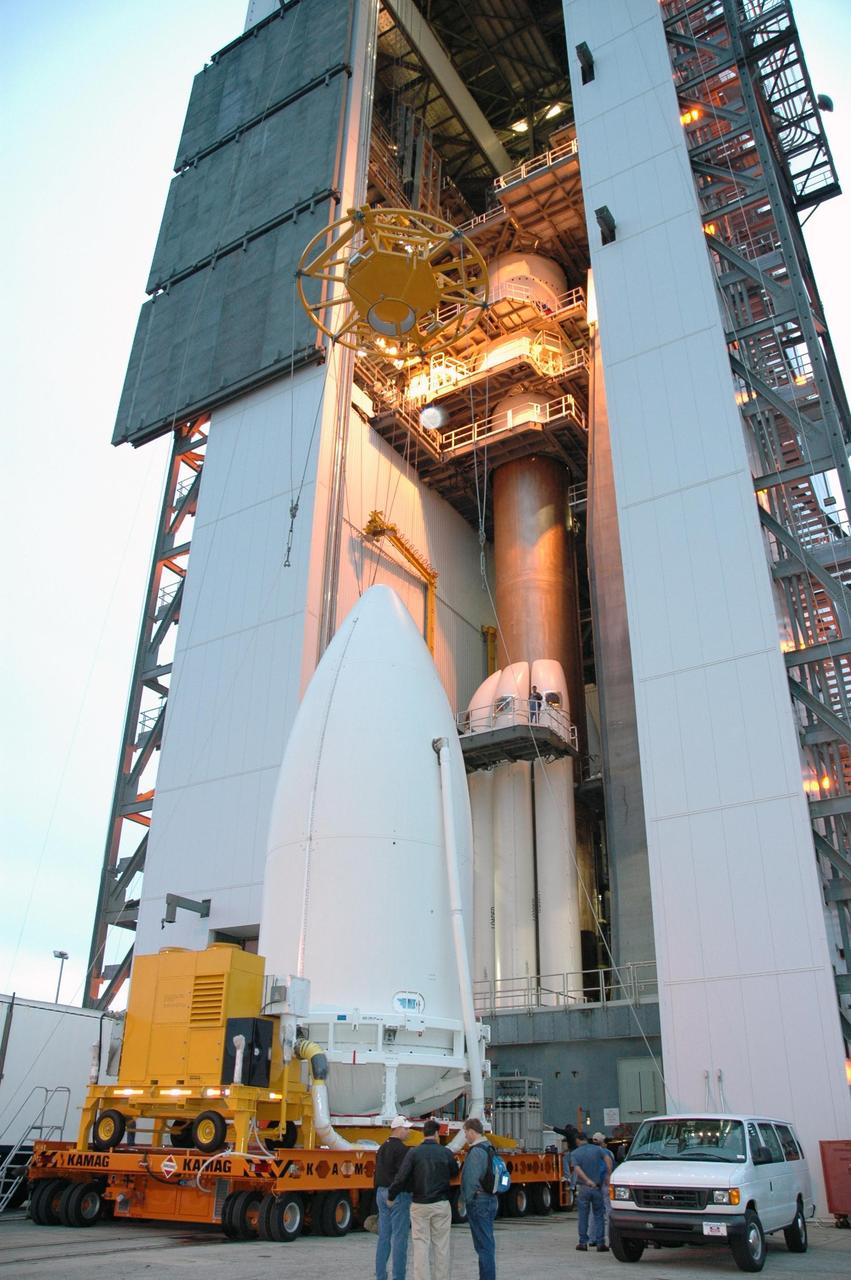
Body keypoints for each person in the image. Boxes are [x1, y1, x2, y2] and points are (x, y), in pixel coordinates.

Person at [388, 1118, 458, 1280]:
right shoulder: (445, 1152)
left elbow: (401, 1177)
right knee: (441, 1246)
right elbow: (454, 1173)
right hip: (441, 1203)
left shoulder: (413, 1152)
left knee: (420, 1246)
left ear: (423, 1134)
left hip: (419, 1205)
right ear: (436, 1134)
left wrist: (391, 1196)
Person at [374, 1116, 414, 1280]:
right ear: (398, 1129)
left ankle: (381, 1275)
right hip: (397, 1195)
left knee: (384, 1237)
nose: (408, 1131)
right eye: (406, 1128)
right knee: (399, 1238)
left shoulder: (382, 1147)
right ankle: (399, 1276)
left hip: (381, 1192)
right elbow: (403, 1176)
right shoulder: (403, 1150)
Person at [460, 1117, 498, 1280]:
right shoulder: (490, 1148)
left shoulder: (476, 1152)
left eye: (466, 1133)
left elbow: (470, 1180)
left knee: (484, 1246)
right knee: (487, 1243)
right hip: (490, 1199)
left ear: (472, 1132)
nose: (465, 1137)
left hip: (479, 1201)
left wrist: (467, 1201)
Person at [569, 1132, 609, 1252]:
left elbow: (577, 1169)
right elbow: (607, 1158)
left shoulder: (575, 1153)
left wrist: (587, 1181)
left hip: (584, 1188)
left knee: (583, 1216)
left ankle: (582, 1243)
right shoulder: (598, 1150)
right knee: (599, 1215)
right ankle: (601, 1243)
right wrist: (608, 1173)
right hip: (597, 1187)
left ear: (577, 1140)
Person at [592, 1131, 615, 1245]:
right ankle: (612, 1239)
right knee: (609, 1211)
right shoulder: (607, 1153)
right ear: (603, 1142)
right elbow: (610, 1166)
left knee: (594, 1212)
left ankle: (593, 1238)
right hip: (605, 1184)